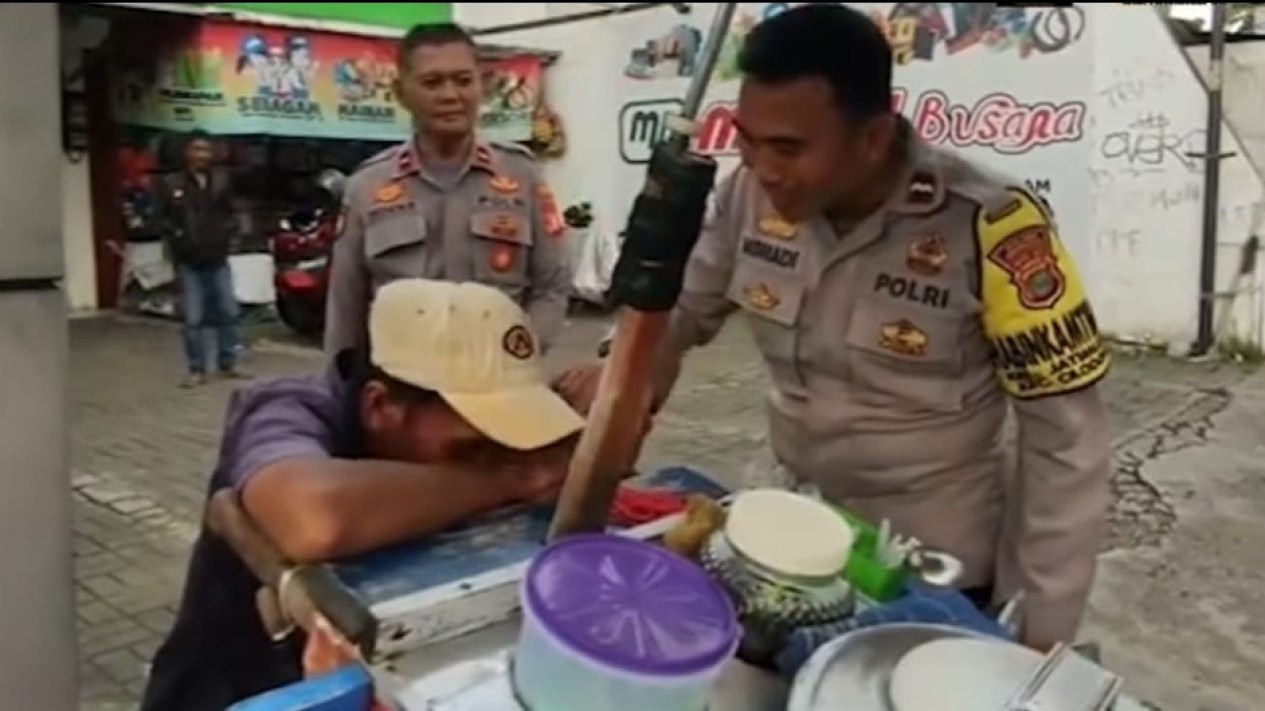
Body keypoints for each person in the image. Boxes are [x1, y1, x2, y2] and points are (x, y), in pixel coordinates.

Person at [557, 4, 1111, 652]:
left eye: (787, 148)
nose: (762, 168)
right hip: (788, 543)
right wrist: (621, 382)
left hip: (930, 572)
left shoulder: (991, 225)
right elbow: (681, 313)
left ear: (872, 138)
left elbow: (1064, 442)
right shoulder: (747, 196)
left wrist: (1033, 633)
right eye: (746, 140)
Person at [140, 279, 585, 711]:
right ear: (379, 406)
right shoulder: (284, 409)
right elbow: (315, 518)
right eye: (471, 447)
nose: (496, 453)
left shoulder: (438, 443)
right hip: (232, 691)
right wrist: (507, 480)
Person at [325, 23, 571, 357]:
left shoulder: (523, 176)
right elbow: (345, 308)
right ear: (401, 93)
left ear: (482, 86)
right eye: (432, 83)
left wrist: (516, 357)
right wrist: (345, 385)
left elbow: (552, 287)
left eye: (463, 80)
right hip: (401, 382)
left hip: (499, 379)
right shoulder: (367, 187)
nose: (450, 95)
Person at [152, 129, 248, 387]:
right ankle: (197, 369)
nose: (201, 155)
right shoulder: (171, 184)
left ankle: (228, 362)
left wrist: (230, 234)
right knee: (193, 318)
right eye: (196, 149)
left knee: (229, 312)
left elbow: (232, 213)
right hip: (189, 261)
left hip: (218, 257)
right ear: (187, 153)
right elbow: (160, 218)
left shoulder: (221, 180)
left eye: (206, 149)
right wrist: (178, 237)